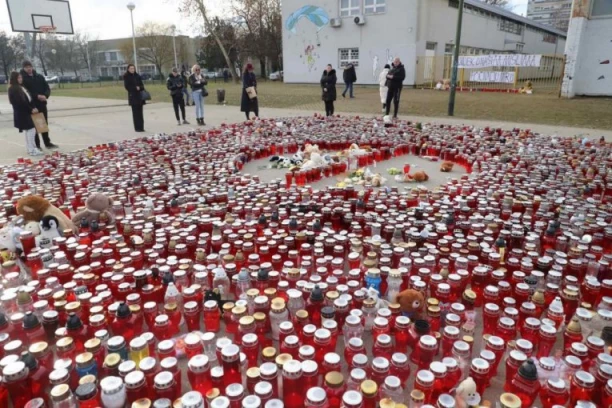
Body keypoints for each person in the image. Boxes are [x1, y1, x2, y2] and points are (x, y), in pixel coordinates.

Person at [20, 60, 58, 149]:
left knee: (44, 124)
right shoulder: (23, 79)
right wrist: (37, 96)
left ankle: (47, 142)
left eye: (30, 66)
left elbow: (47, 87)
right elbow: (25, 92)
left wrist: (45, 95)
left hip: (42, 103)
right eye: (26, 67)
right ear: (24, 68)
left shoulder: (39, 76)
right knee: (35, 126)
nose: (29, 69)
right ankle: (37, 145)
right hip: (32, 105)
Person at [8, 71, 43, 156]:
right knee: (31, 129)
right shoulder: (13, 89)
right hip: (22, 113)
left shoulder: (22, 87)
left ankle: (30, 148)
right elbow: (20, 102)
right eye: (18, 78)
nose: (21, 79)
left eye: (21, 77)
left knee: (30, 130)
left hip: (28, 111)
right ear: (14, 79)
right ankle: (32, 149)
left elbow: (29, 98)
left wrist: (34, 107)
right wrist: (30, 109)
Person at [123, 64, 146, 132]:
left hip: (139, 96)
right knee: (135, 113)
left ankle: (141, 127)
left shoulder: (137, 76)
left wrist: (140, 87)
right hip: (133, 96)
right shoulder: (126, 76)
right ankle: (137, 128)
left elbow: (142, 85)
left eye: (133, 68)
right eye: (131, 68)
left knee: (140, 113)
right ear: (128, 69)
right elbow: (127, 87)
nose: (132, 70)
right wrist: (135, 88)